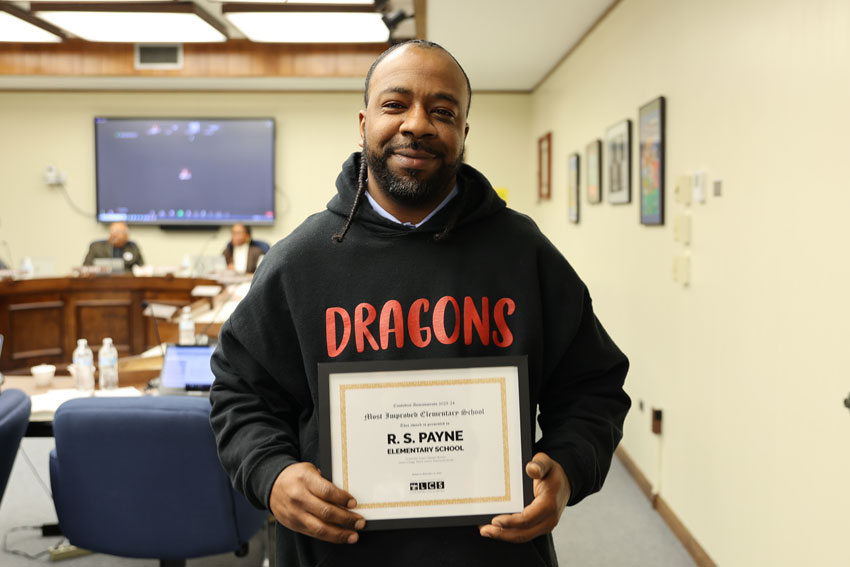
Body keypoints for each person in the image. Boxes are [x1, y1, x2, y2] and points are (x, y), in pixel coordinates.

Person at [209, 40, 630, 567]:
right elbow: (241, 395)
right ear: (363, 122)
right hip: (337, 552)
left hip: (495, 555)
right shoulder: (299, 263)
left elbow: (593, 387)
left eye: (442, 111)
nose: (417, 124)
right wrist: (270, 473)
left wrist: (567, 467)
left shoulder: (524, 253)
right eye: (395, 104)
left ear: (463, 133)